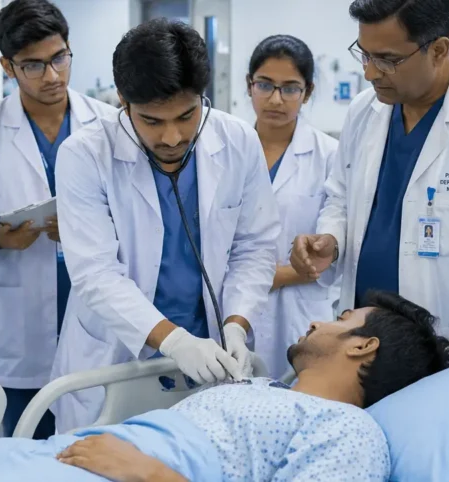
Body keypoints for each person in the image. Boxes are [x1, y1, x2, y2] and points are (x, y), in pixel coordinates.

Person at [0, 291, 449, 482]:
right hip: (88, 450)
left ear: (362, 346)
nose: (318, 317)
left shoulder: (350, 433)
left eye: (340, 318)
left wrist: (150, 473)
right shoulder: (273, 395)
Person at [50, 18, 280, 432]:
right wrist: (174, 341)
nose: (173, 137)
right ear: (123, 101)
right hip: (117, 358)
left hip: (213, 356)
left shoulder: (238, 141)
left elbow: (254, 246)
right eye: (153, 121)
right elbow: (95, 272)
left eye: (187, 116)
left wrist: (238, 323)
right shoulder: (84, 155)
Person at [290, 0, 449, 364]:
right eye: (364, 55)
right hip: (362, 347)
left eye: (387, 59)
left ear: (438, 50)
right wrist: (331, 238)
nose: (370, 73)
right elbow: (341, 198)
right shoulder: (365, 110)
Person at [0, 0, 116, 440]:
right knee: (26, 442)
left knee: (96, 441)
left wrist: (90, 228)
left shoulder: (108, 125)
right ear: (8, 65)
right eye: (34, 65)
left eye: (59, 58)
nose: (52, 76)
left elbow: (135, 215)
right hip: (18, 317)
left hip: (90, 306)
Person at [246, 35, 340, 380]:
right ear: (249, 84)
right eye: (265, 85)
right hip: (234, 310)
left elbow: (334, 249)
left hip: (301, 312)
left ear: (308, 92)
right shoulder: (222, 150)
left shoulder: (330, 156)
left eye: (290, 88)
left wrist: (275, 276)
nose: (275, 99)